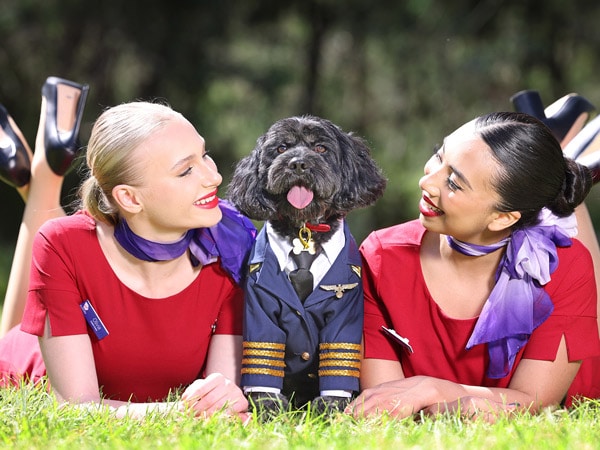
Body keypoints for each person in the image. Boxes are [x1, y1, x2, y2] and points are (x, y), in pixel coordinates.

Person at [0, 78, 256, 420]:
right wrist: (179, 414)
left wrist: (224, 398)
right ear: (130, 198)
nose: (214, 177)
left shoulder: (229, 246)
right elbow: (75, 408)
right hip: (24, 363)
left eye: (205, 155)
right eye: (186, 171)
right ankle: (45, 175)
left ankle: (42, 175)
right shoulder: (62, 242)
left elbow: (221, 392)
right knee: (20, 318)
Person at [348, 111, 600, 420]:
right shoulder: (381, 256)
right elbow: (387, 400)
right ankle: (556, 153)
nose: (426, 181)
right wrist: (468, 401)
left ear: (502, 218)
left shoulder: (562, 266)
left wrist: (432, 389)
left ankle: (562, 159)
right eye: (438, 156)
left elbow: (533, 402)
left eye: (453, 182)